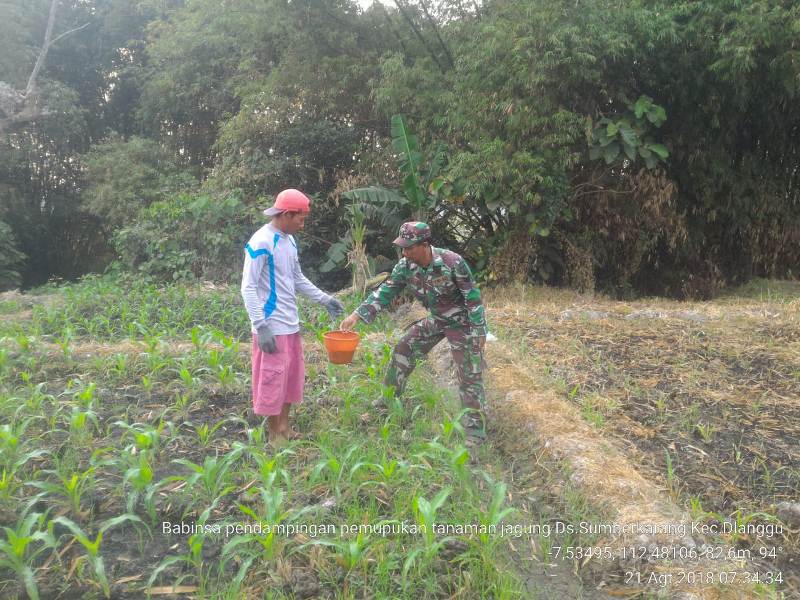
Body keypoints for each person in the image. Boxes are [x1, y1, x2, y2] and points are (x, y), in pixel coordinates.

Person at [340, 221, 488, 444]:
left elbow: (472, 297)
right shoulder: (405, 266)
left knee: (468, 371)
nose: (404, 251)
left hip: (462, 322)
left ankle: (475, 430)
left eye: (409, 247)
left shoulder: (452, 262)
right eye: (402, 247)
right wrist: (356, 315)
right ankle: (389, 398)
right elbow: (385, 291)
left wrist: (479, 331)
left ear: (425, 245)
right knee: (404, 348)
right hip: (437, 318)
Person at [241, 189, 344, 445]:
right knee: (273, 380)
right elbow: (248, 287)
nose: (303, 224)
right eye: (300, 218)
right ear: (286, 214)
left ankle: (285, 427)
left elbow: (297, 278)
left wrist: (324, 298)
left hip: (290, 324)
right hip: (271, 326)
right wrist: (260, 325)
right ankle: (274, 434)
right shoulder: (261, 242)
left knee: (288, 379)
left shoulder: (288, 240)